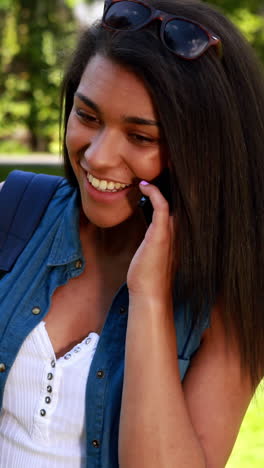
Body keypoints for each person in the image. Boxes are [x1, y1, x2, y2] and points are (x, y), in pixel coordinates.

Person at [0, 0, 264, 466]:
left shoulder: (235, 301)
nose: (98, 157)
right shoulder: (11, 214)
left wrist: (150, 298)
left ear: (207, 154)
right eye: (87, 116)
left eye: (141, 137)